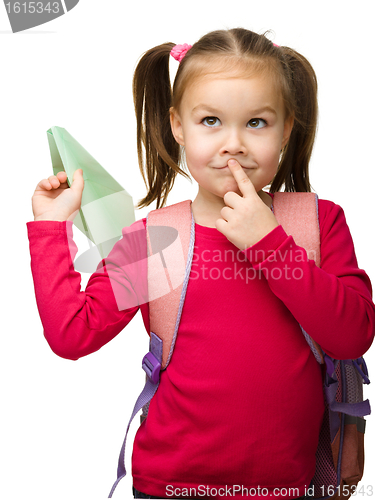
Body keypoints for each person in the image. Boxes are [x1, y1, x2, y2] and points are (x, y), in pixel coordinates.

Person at [27, 28, 375, 499]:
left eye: (257, 122)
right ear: (177, 127)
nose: (233, 143)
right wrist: (51, 229)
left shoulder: (317, 223)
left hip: (289, 488)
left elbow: (352, 334)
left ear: (287, 128)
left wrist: (269, 244)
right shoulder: (157, 241)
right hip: (169, 486)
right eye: (211, 121)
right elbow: (72, 334)